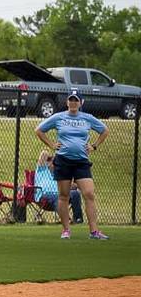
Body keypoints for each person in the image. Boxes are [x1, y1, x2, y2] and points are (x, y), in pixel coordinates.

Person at [34, 89, 109, 240]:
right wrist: (52, 145)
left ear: (81, 103)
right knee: (63, 196)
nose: (73, 103)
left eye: (76, 100)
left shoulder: (87, 118)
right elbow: (39, 130)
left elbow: (104, 130)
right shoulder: (58, 117)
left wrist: (94, 146)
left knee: (89, 193)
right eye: (71, 100)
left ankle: (94, 232)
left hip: (81, 161)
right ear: (67, 102)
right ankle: (66, 230)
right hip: (63, 161)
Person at [33, 150, 84, 224]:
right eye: (54, 162)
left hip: (60, 194)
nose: (56, 165)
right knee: (59, 197)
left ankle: (78, 219)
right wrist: (55, 152)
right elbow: (44, 153)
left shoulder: (60, 174)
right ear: (47, 163)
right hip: (44, 196)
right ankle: (66, 219)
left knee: (75, 194)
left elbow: (71, 186)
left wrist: (72, 185)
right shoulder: (42, 170)